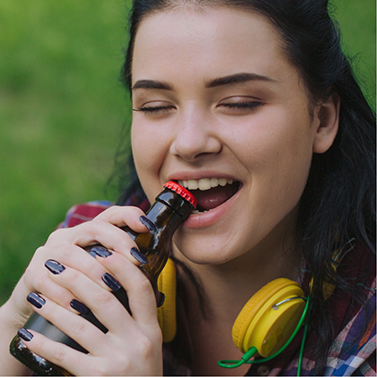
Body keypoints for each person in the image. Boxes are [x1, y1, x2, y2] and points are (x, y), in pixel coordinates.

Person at [0, 0, 375, 375]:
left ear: (322, 119)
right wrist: (7, 331)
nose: (189, 142)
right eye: (156, 106)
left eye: (238, 103)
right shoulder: (83, 256)